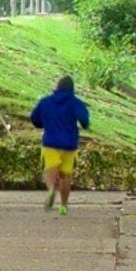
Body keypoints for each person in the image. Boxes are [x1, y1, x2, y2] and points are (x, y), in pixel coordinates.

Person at [28, 75, 91, 211]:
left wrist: (43, 123)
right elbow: (84, 121)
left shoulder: (45, 102)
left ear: (58, 87)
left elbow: (34, 118)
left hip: (50, 142)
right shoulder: (75, 102)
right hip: (69, 144)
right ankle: (63, 205)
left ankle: (51, 189)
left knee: (49, 169)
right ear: (72, 88)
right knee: (65, 176)